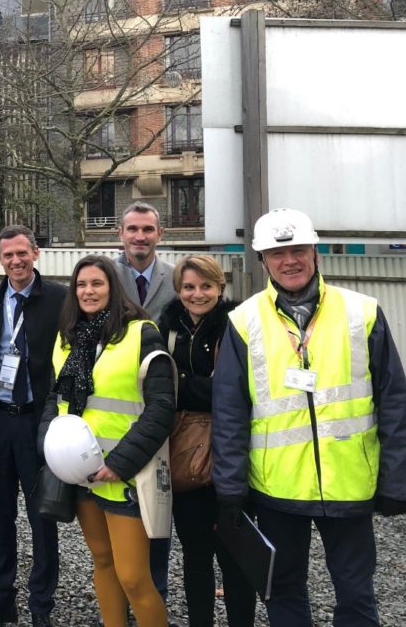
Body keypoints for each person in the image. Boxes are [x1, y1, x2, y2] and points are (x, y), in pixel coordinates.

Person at [212, 208, 406, 626]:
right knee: (283, 593)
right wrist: (230, 486)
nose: (290, 261)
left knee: (356, 595)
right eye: (277, 253)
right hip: (276, 487)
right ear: (263, 261)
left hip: (350, 482)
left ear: (316, 252)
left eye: (298, 249)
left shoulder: (363, 312)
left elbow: (394, 400)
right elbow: (229, 411)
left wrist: (397, 476)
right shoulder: (243, 322)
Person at [42, 254, 174, 627]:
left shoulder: (141, 333)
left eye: (97, 283)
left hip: (126, 475)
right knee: (102, 561)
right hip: (82, 474)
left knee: (134, 576)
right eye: (81, 284)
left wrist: (120, 463)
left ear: (113, 288)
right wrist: (50, 448)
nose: (88, 291)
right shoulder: (67, 338)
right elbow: (55, 400)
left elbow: (162, 407)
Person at [0, 226, 67, 627]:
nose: (16, 261)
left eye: (22, 253)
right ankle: (2, 596)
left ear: (36, 253)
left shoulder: (59, 299)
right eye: (8, 255)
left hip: (37, 424)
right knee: (0, 515)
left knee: (43, 516)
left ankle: (42, 604)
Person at [156, 256, 256, 627]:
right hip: (183, 458)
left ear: (220, 287)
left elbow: (233, 392)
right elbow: (158, 388)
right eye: (189, 287)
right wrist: (202, 387)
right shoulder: (167, 326)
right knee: (195, 556)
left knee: (236, 558)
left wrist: (183, 384)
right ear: (178, 290)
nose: (197, 295)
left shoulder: (236, 327)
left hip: (229, 455)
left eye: (205, 287)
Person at [113, 201, 175, 607]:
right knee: (119, 516)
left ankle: (157, 594)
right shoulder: (104, 276)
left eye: (147, 229)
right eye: (133, 229)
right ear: (120, 234)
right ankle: (123, 595)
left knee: (157, 508)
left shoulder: (175, 279)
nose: (140, 236)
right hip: (116, 411)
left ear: (159, 234)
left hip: (162, 405)